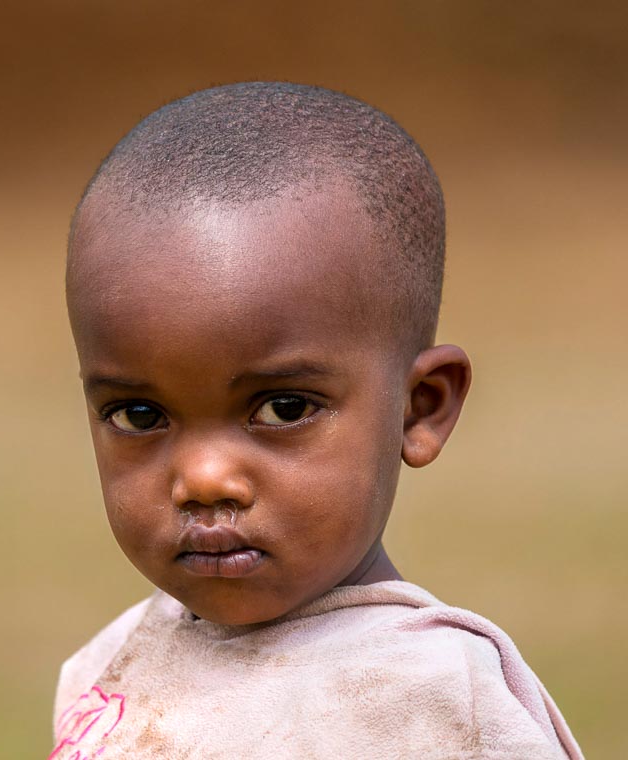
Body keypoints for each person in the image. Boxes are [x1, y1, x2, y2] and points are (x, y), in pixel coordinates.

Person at [52, 82, 583, 759]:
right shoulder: (109, 666)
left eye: (284, 408)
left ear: (421, 408)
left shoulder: (435, 702)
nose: (205, 478)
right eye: (140, 414)